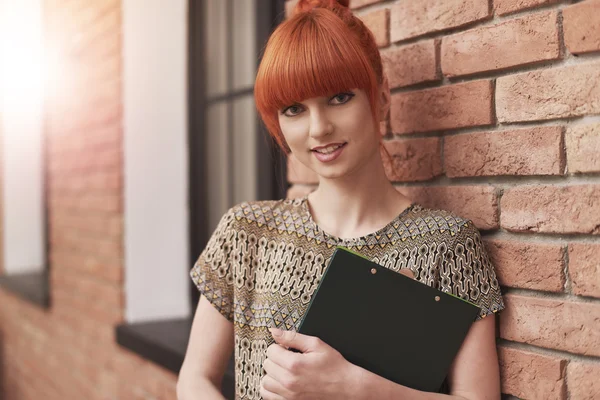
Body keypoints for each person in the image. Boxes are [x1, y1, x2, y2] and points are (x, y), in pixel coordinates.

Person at [177, 0, 505, 399]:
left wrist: (354, 386)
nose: (319, 129)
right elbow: (195, 379)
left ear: (380, 97)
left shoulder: (448, 245)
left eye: (339, 98)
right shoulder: (247, 231)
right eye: (294, 109)